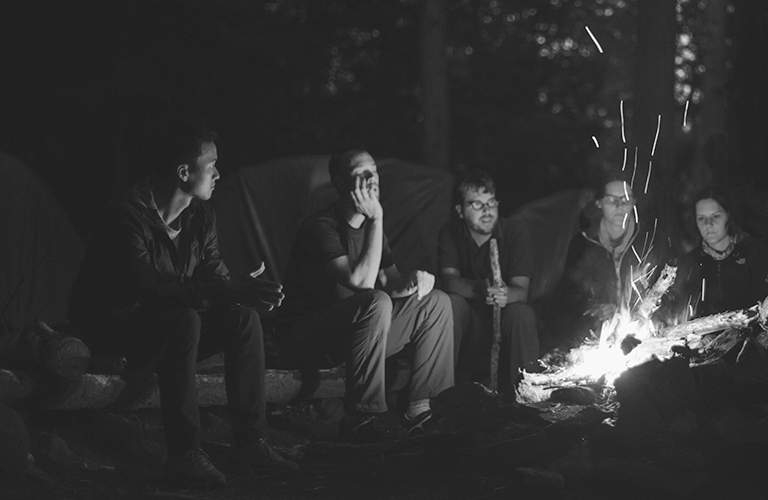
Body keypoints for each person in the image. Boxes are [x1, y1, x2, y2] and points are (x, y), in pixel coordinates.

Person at [68, 122, 298, 486]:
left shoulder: (200, 217)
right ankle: (184, 453)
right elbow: (149, 288)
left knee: (242, 320)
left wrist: (238, 290)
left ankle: (251, 444)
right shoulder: (126, 218)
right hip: (113, 330)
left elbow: (211, 276)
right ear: (184, 172)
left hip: (168, 330)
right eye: (212, 165)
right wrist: (223, 290)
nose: (219, 174)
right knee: (184, 320)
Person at [273, 149, 454, 441]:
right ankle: (364, 416)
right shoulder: (321, 227)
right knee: (375, 301)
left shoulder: (372, 231)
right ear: (341, 183)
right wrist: (377, 216)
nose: (372, 179)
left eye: (375, 172)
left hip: (357, 334)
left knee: (436, 303)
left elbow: (389, 282)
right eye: (362, 173)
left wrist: (415, 283)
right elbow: (362, 281)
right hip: (307, 338)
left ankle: (423, 409)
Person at [437, 171, 539, 390]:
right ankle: (440, 395)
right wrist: (482, 289)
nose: (486, 211)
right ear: (460, 211)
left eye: (491, 203)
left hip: (504, 318)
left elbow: (522, 290)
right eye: (476, 204)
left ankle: (525, 396)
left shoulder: (514, 231)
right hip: (469, 322)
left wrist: (505, 294)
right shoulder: (451, 233)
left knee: (522, 313)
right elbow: (449, 282)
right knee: (450, 304)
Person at [556, 175, 647, 345]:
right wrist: (595, 307)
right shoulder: (582, 244)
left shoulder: (646, 241)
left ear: (634, 203)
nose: (620, 206)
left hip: (640, 330)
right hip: (595, 335)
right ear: (599, 203)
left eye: (626, 200)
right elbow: (569, 295)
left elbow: (659, 290)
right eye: (612, 200)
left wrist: (626, 312)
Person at [675, 187, 768, 318]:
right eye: (701, 218)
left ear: (729, 215)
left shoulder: (754, 253)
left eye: (715, 216)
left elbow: (766, 303)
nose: (708, 224)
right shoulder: (691, 262)